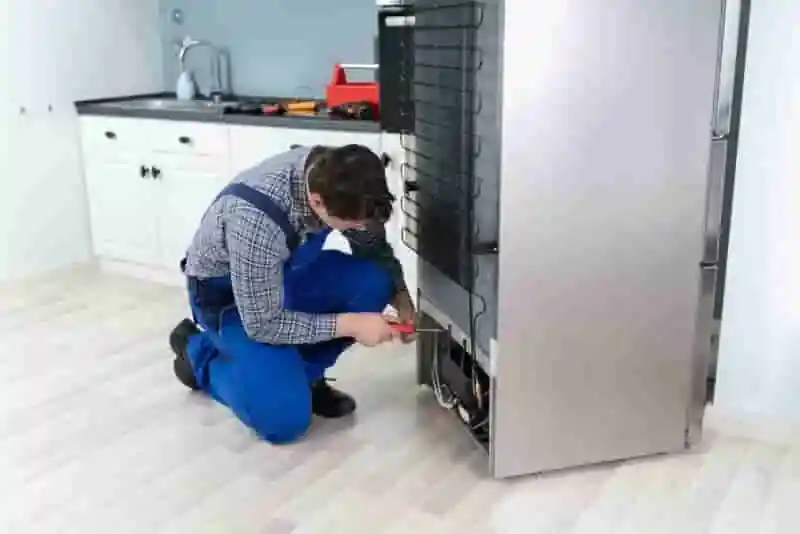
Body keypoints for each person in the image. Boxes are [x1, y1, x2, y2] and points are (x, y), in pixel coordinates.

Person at [169, 144, 416, 444]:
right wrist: (352, 324)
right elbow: (263, 324)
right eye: (353, 224)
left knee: (375, 282)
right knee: (284, 421)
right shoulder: (256, 220)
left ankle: (304, 378)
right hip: (234, 304)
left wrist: (402, 298)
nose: (362, 229)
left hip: (286, 279)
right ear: (317, 202)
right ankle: (199, 353)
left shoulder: (345, 178)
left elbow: (373, 248)